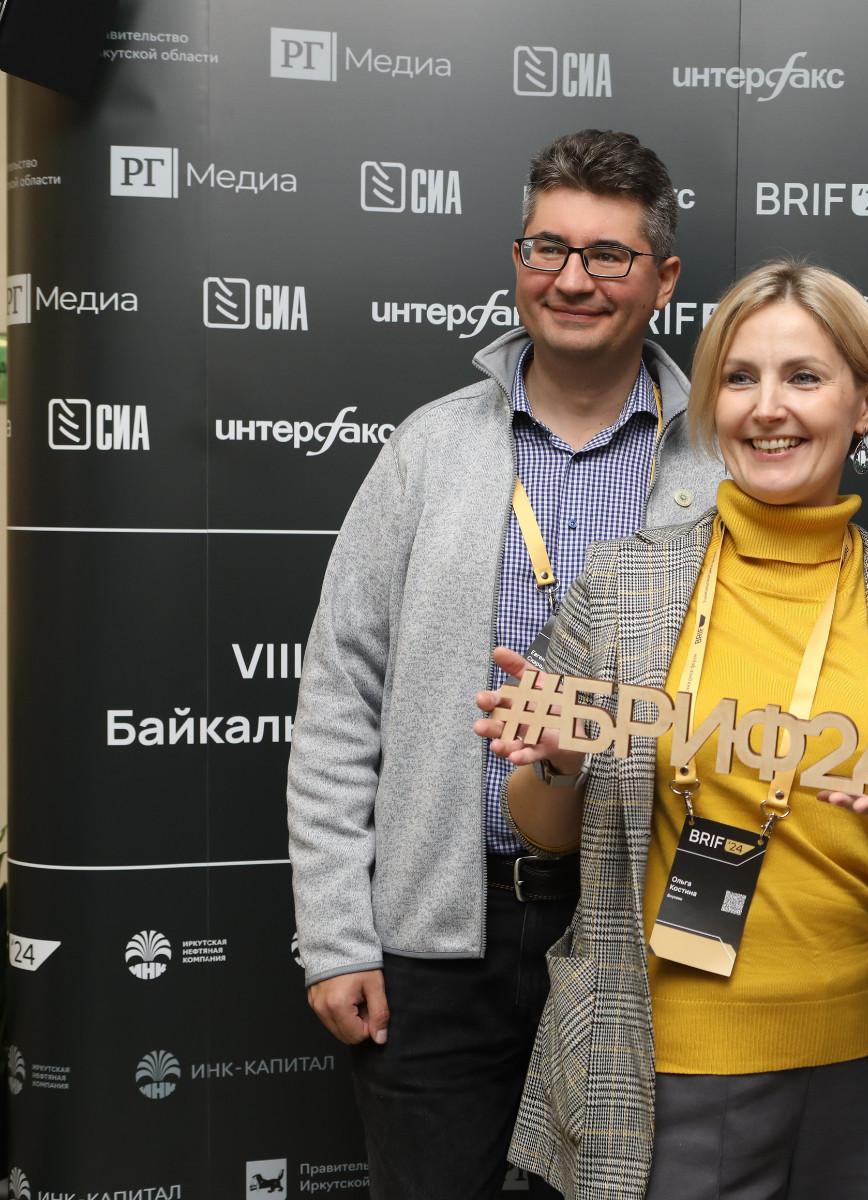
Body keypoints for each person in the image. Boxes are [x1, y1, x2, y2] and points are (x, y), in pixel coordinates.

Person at [474, 260, 868, 1200]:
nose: (767, 408)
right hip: (658, 1068)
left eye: (805, 377)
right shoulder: (621, 586)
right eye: (740, 377)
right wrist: (559, 764)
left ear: (867, 402)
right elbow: (540, 834)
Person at [287, 129, 724, 1198]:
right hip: (442, 940)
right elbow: (341, 696)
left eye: (608, 254)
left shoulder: (721, 468)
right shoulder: (428, 450)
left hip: (646, 937)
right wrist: (337, 936)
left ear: (664, 278)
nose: (572, 279)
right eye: (547, 248)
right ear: (517, 258)